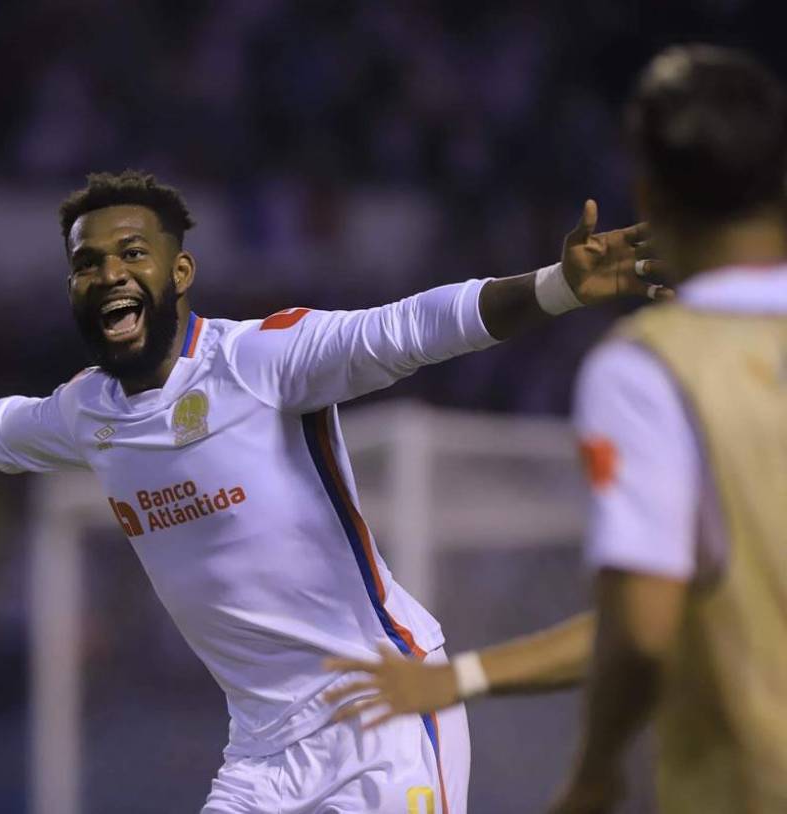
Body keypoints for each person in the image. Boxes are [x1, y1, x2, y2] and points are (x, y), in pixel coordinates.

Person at [0, 169, 660, 814]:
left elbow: (411, 329)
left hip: (380, 711)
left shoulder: (262, 360)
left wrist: (556, 287)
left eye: (132, 253)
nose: (109, 275)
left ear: (179, 272)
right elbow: (2, 431)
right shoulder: (86, 412)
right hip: (259, 755)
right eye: (87, 263)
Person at [325, 45, 787, 814]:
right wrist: (463, 677)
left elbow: (645, 625)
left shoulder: (651, 369)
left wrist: (595, 771)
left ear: (647, 193)